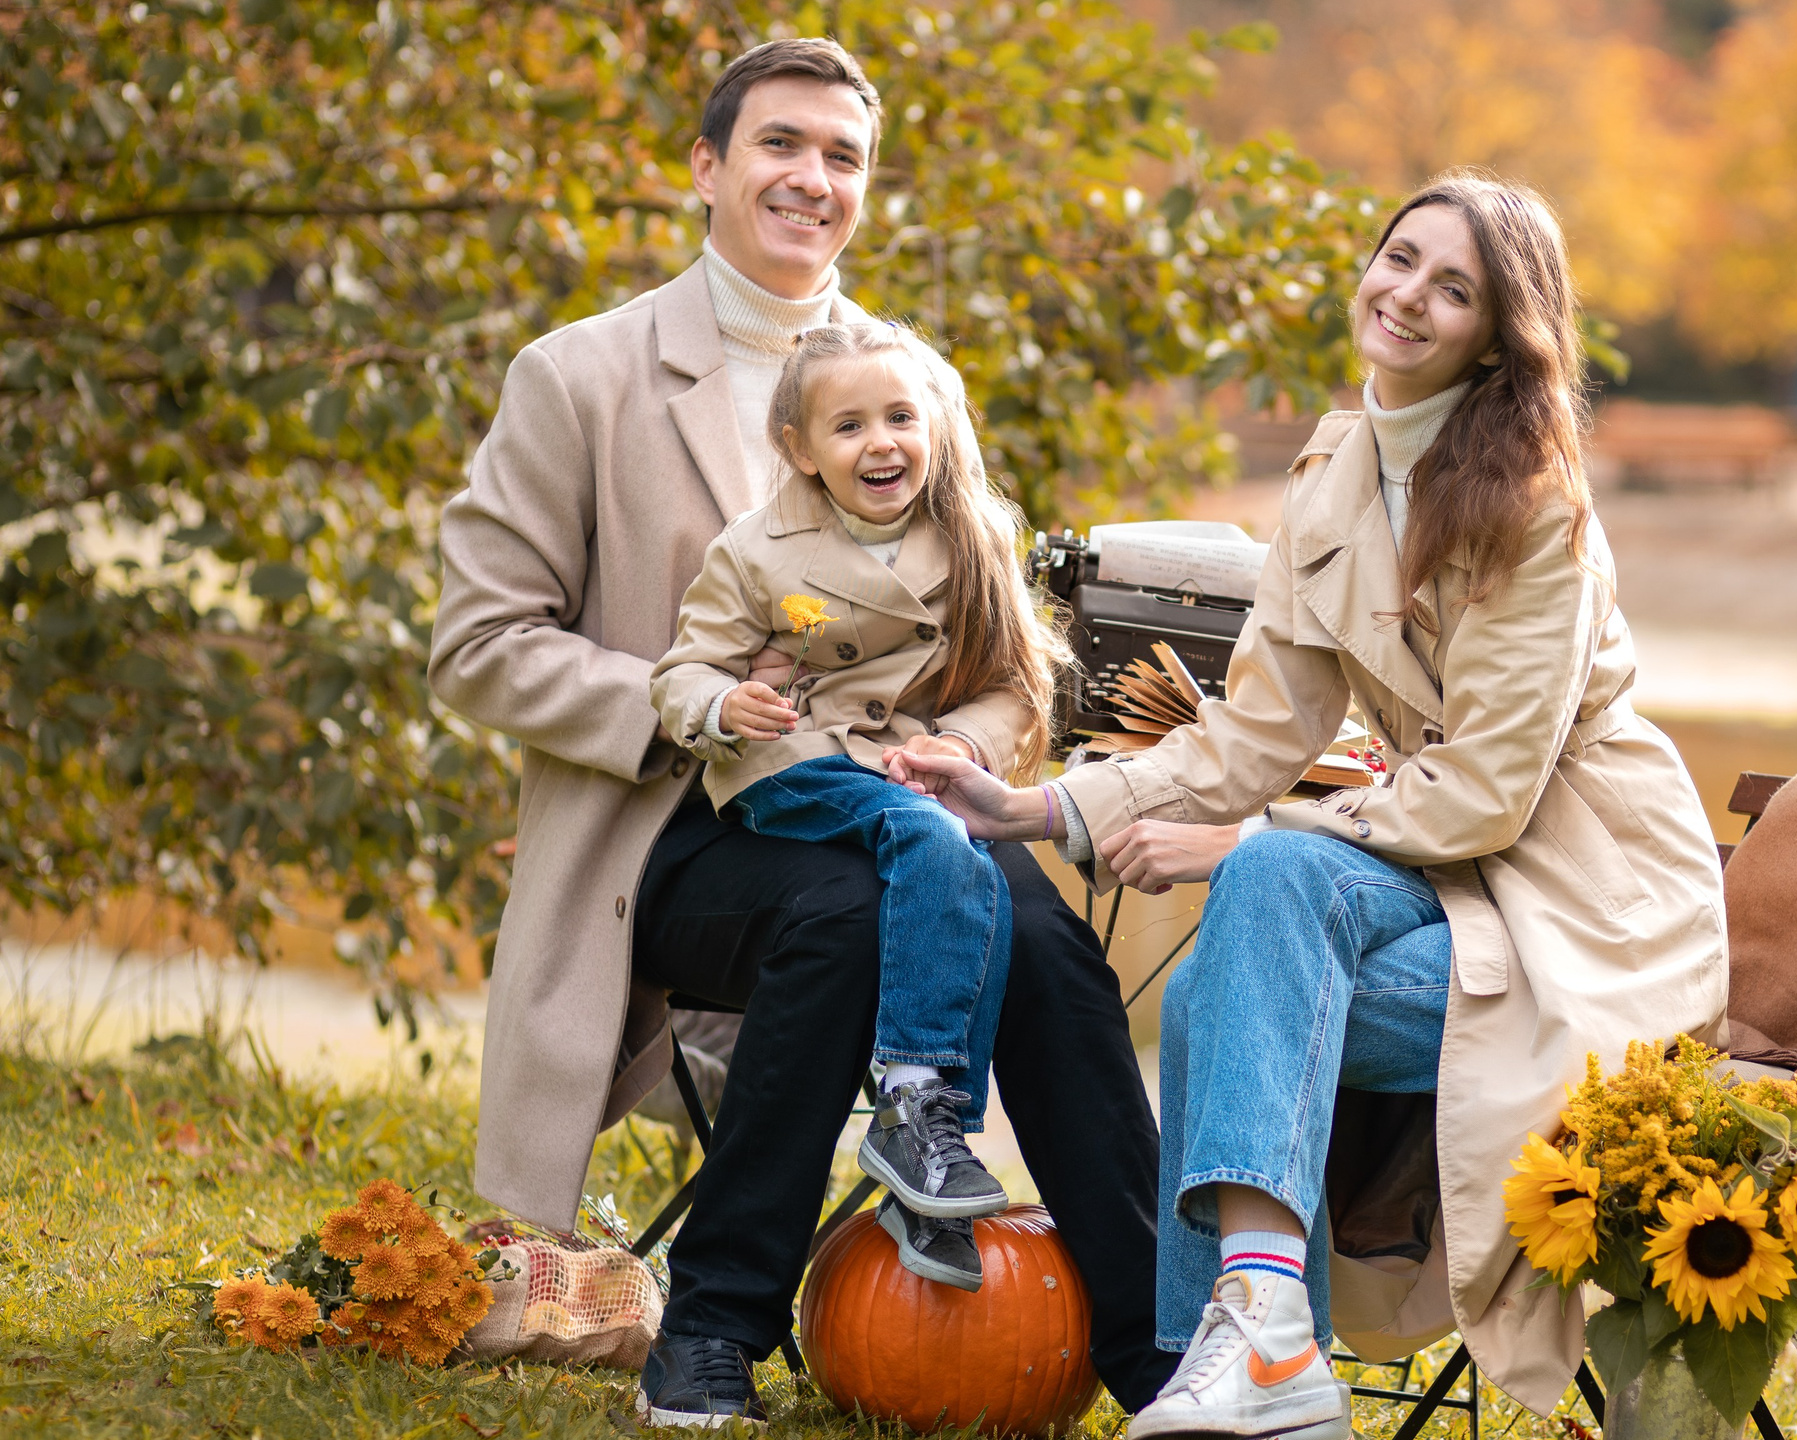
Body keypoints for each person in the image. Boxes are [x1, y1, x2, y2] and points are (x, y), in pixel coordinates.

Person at [899, 170, 1730, 1439]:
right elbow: (1252, 734)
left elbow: (1492, 797)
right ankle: (1252, 1353)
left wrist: (1244, 838)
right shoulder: (1338, 466)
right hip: (1433, 869)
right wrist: (1027, 809)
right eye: (1400, 258)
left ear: (1501, 335)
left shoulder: (1536, 514)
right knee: (1255, 928)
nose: (1405, 296)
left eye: (1452, 288)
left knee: (1247, 933)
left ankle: (1224, 1359)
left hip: (1580, 894)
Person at [428, 38, 1172, 1430]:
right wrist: (694, 710)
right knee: (848, 912)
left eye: (843, 158)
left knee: (1044, 931)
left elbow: (1008, 654)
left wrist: (960, 751)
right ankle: (714, 1329)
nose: (811, 179)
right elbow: (478, 647)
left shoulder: (910, 387)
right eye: (781, 145)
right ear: (706, 168)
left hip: (899, 807)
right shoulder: (578, 378)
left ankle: (1158, 1354)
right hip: (670, 835)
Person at [651, 319, 1072, 1286]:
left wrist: (960, 742)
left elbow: (1017, 681)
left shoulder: (971, 536)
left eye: (898, 416)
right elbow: (681, 674)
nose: (880, 442)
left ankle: (927, 1166)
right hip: (790, 766)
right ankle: (919, 1096)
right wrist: (726, 702)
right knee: (935, 843)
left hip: (904, 770)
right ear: (800, 450)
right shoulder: (757, 550)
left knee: (961, 865)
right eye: (848, 427)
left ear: (933, 424)